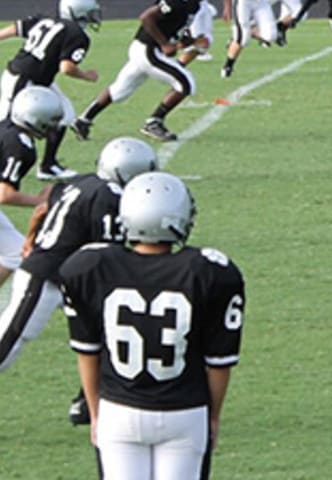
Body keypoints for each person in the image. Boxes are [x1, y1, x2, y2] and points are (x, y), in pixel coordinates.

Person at [60, 171, 244, 480]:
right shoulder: (209, 271)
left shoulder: (91, 266)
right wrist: (213, 416)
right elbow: (218, 363)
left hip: (119, 410)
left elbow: (87, 352)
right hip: (184, 412)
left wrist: (95, 412)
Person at [0, 137, 156, 431]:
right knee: (8, 342)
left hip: (73, 277)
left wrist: (31, 240)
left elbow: (41, 210)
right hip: (47, 276)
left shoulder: (79, 181)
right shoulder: (109, 196)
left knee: (113, 335)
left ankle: (87, 402)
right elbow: (106, 253)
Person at [74, 0, 210, 143]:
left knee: (120, 90)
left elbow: (174, 27)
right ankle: (154, 122)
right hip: (148, 49)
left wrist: (191, 42)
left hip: (145, 49)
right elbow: (147, 17)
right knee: (185, 83)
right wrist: (163, 44)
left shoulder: (192, 3)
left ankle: (83, 120)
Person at [0, 0, 101, 179]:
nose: (93, 17)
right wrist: (87, 75)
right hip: (22, 79)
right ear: (77, 12)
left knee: (65, 114)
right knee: (7, 124)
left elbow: (15, 28)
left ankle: (48, 165)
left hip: (37, 79)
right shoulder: (77, 34)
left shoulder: (45, 20)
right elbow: (66, 67)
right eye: (89, 13)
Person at [0, 87, 61, 289]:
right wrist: (41, 200)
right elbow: (4, 194)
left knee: (15, 252)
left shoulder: (6, 126)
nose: (52, 126)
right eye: (50, 120)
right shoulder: (20, 146)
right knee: (15, 252)